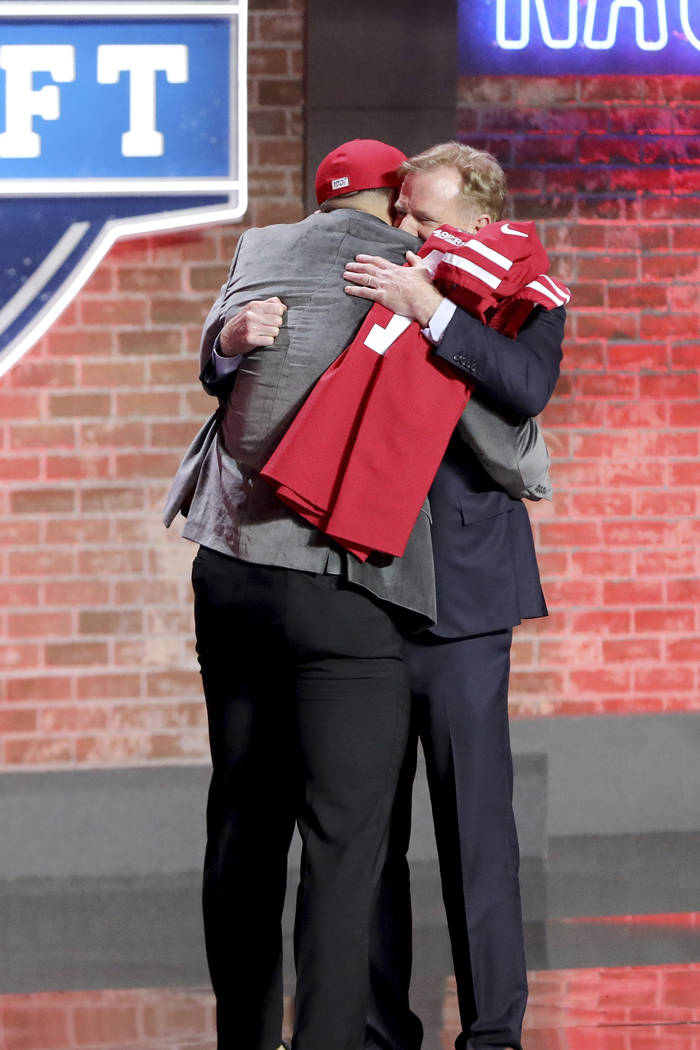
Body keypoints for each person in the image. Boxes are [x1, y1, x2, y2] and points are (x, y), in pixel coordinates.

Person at [164, 139, 440, 1050]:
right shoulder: (421, 268)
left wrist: (228, 341)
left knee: (242, 822)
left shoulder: (259, 250)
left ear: (319, 200)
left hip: (232, 573)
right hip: (343, 582)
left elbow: (217, 362)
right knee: (345, 839)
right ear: (399, 201)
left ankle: (241, 1040)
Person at [342, 142, 565, 1050]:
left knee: (477, 834)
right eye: (401, 214)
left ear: (476, 221)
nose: (407, 233)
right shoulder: (374, 278)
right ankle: (379, 1029)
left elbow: (524, 387)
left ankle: (493, 1035)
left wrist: (432, 309)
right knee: (366, 835)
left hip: (466, 599)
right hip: (361, 588)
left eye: (426, 220)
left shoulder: (524, 294)